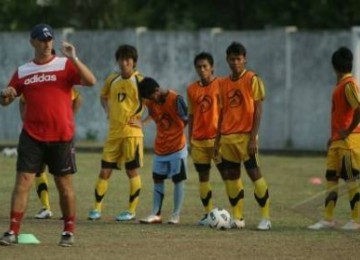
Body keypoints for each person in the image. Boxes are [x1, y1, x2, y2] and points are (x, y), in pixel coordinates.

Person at [0, 23, 96, 247]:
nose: (46, 44)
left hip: (61, 136)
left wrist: (74, 58)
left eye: (49, 39)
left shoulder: (65, 65)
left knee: (64, 186)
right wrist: (6, 94)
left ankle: (68, 231)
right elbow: (7, 99)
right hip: (32, 136)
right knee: (23, 182)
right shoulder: (23, 70)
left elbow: (91, 82)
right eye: (41, 40)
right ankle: (12, 231)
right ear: (32, 42)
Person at [214, 41, 271, 230]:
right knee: (232, 176)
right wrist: (217, 141)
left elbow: (258, 110)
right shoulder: (222, 83)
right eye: (232, 59)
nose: (235, 62)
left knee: (254, 174)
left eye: (238, 59)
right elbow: (221, 113)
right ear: (227, 60)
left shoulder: (253, 79)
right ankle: (238, 218)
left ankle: (265, 218)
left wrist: (254, 137)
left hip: (246, 137)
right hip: (228, 137)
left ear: (244, 59)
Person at [88, 44, 144, 221]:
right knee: (104, 171)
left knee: (131, 172)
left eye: (128, 59)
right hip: (114, 134)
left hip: (132, 134)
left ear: (134, 62)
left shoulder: (141, 81)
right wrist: (107, 110)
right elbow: (103, 96)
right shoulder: (112, 79)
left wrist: (144, 121)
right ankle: (96, 210)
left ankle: (131, 211)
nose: (124, 62)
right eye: (121, 59)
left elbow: (156, 104)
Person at [308, 47, 360, 230]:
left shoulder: (349, 85)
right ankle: (328, 219)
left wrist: (347, 131)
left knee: (351, 179)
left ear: (333, 66)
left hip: (350, 141)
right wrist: (334, 137)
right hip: (338, 141)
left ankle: (356, 220)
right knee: (331, 177)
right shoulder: (339, 86)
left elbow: (359, 109)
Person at [19, 89, 83, 219]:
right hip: (37, 136)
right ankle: (46, 207)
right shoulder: (32, 79)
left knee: (63, 177)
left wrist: (70, 116)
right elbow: (22, 101)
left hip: (60, 136)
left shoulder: (59, 81)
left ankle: (68, 215)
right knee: (38, 171)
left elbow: (77, 98)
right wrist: (25, 119)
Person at [138, 77, 188, 224]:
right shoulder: (150, 101)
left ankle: (175, 215)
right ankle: (155, 214)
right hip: (160, 148)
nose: (150, 100)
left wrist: (176, 133)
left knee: (178, 180)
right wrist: (142, 122)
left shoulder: (175, 99)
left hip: (177, 147)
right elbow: (153, 115)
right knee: (157, 179)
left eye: (151, 96)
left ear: (157, 90)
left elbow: (187, 119)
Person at [187, 52, 225, 226]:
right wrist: (190, 140)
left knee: (229, 176)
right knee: (203, 177)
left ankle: (238, 215)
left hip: (217, 140)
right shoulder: (191, 89)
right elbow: (192, 115)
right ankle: (208, 213)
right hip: (199, 141)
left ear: (212, 68)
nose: (202, 70)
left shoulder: (221, 85)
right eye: (199, 67)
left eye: (205, 66)